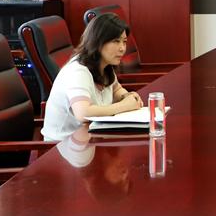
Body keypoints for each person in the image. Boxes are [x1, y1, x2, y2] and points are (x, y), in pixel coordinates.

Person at [41, 13, 143, 141]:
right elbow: (83, 113)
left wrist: (127, 96)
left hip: (89, 138)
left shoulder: (105, 65)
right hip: (62, 146)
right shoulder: (78, 71)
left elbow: (116, 89)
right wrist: (125, 106)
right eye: (116, 41)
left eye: (124, 41)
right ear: (98, 42)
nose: (122, 48)